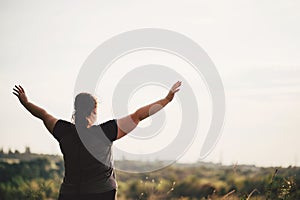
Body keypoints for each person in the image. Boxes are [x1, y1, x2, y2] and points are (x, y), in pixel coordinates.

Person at [12, 81, 182, 200]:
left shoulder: (63, 131)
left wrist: (25, 102)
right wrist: (166, 99)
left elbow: (43, 115)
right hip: (101, 193)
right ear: (94, 110)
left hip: (70, 194)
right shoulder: (105, 132)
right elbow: (138, 116)